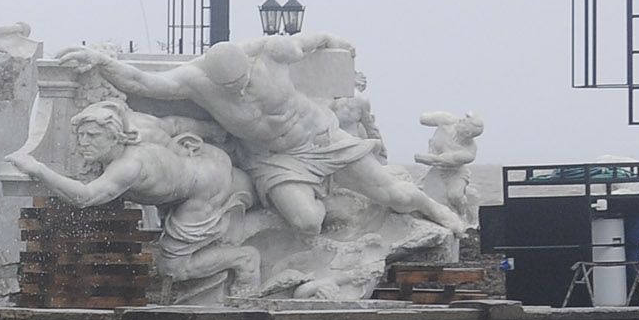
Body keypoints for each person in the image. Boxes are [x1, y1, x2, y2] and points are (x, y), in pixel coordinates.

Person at [58, 40, 464, 238]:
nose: (240, 91)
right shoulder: (194, 79)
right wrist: (103, 61)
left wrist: (336, 43)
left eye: (243, 82)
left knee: (394, 193)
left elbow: (314, 39)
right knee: (307, 223)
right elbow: (141, 80)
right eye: (230, 87)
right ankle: (328, 203)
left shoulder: (271, 52)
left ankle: (436, 210)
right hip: (276, 160)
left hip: (322, 137)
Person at [8, 100, 262, 303]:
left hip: (204, 189)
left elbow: (85, 197)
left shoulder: (128, 167)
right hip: (205, 156)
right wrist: (215, 132)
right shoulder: (138, 126)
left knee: (173, 268)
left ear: (115, 136)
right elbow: (173, 124)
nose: (83, 144)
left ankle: (244, 260)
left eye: (92, 136)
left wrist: (38, 169)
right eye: (81, 135)